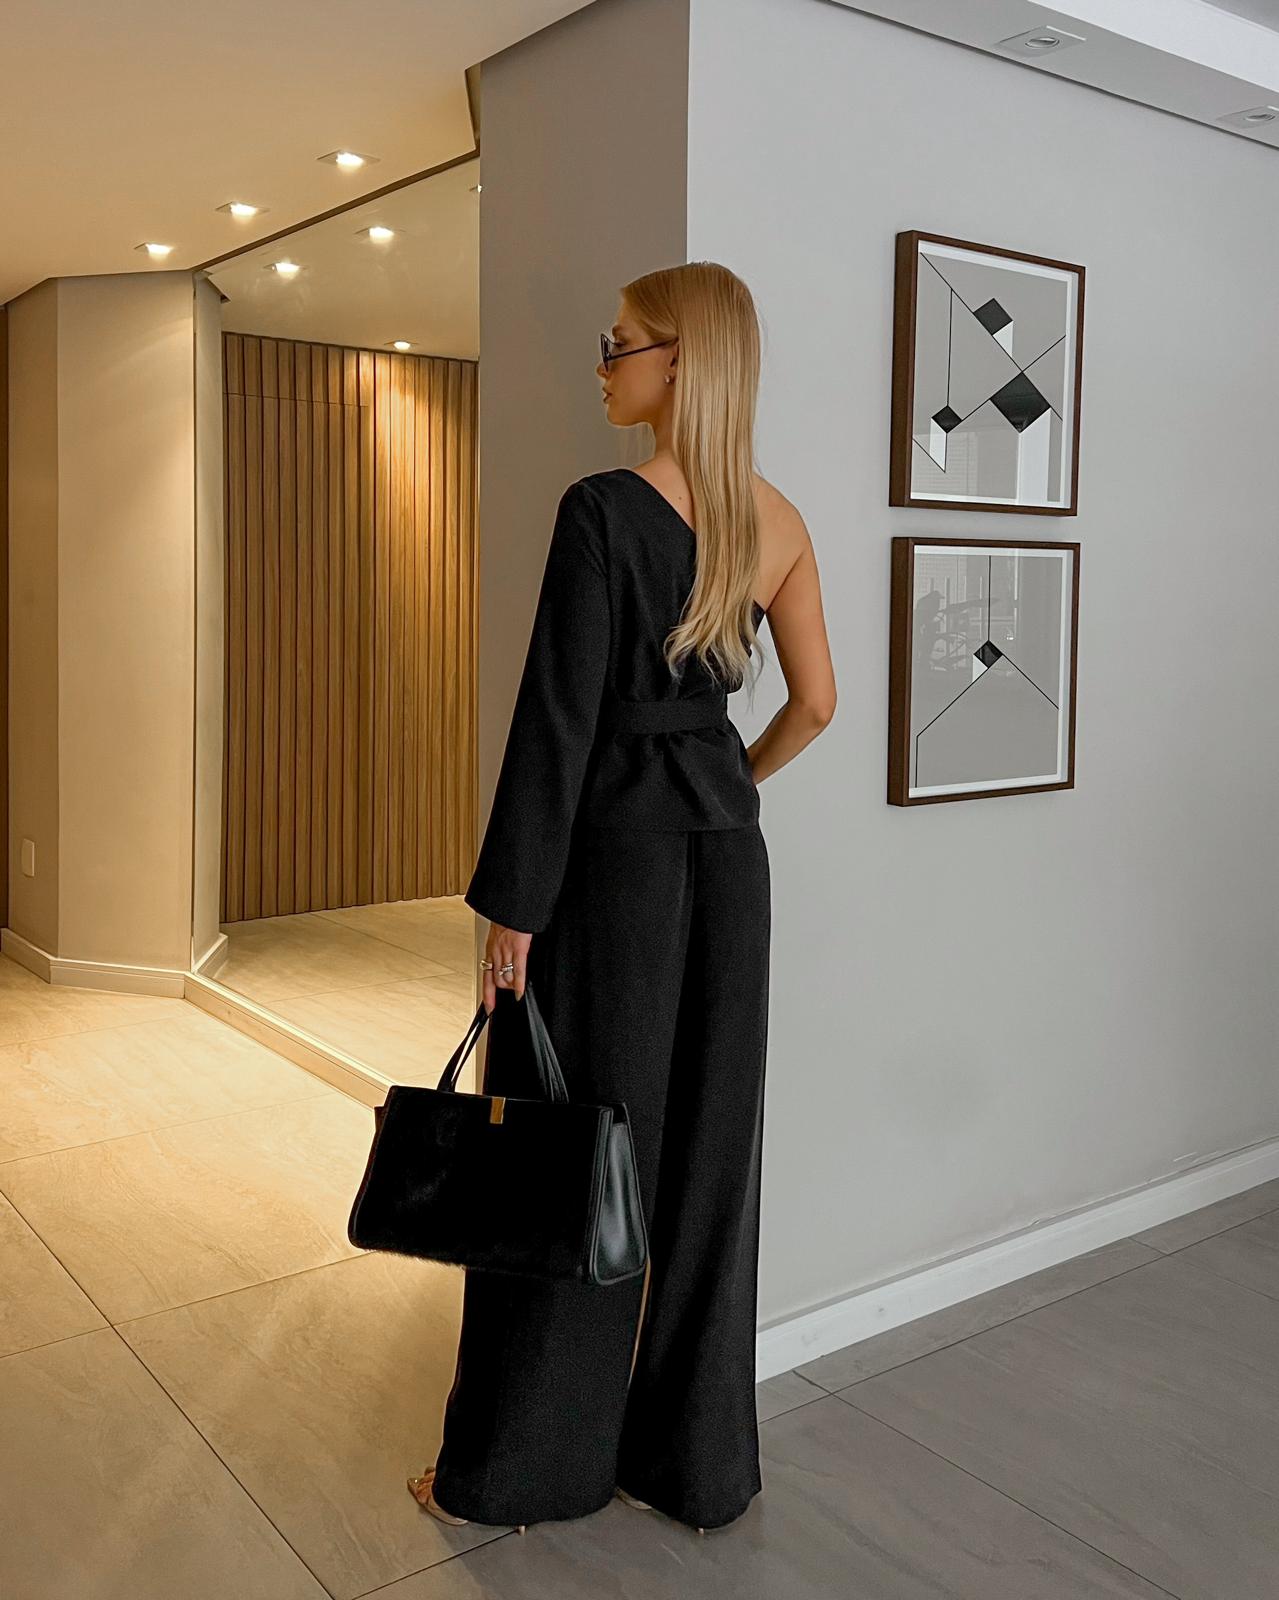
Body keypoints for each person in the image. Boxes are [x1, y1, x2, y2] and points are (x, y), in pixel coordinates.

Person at [408, 261, 837, 1536]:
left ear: (679, 362)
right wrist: (727, 779)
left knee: (571, 1155)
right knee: (708, 1161)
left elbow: (559, 722)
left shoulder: (601, 509)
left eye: (620, 342)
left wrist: (512, 907)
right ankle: (693, 1466)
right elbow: (817, 704)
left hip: (616, 871)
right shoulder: (778, 521)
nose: (602, 363)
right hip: (730, 868)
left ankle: (521, 1469)